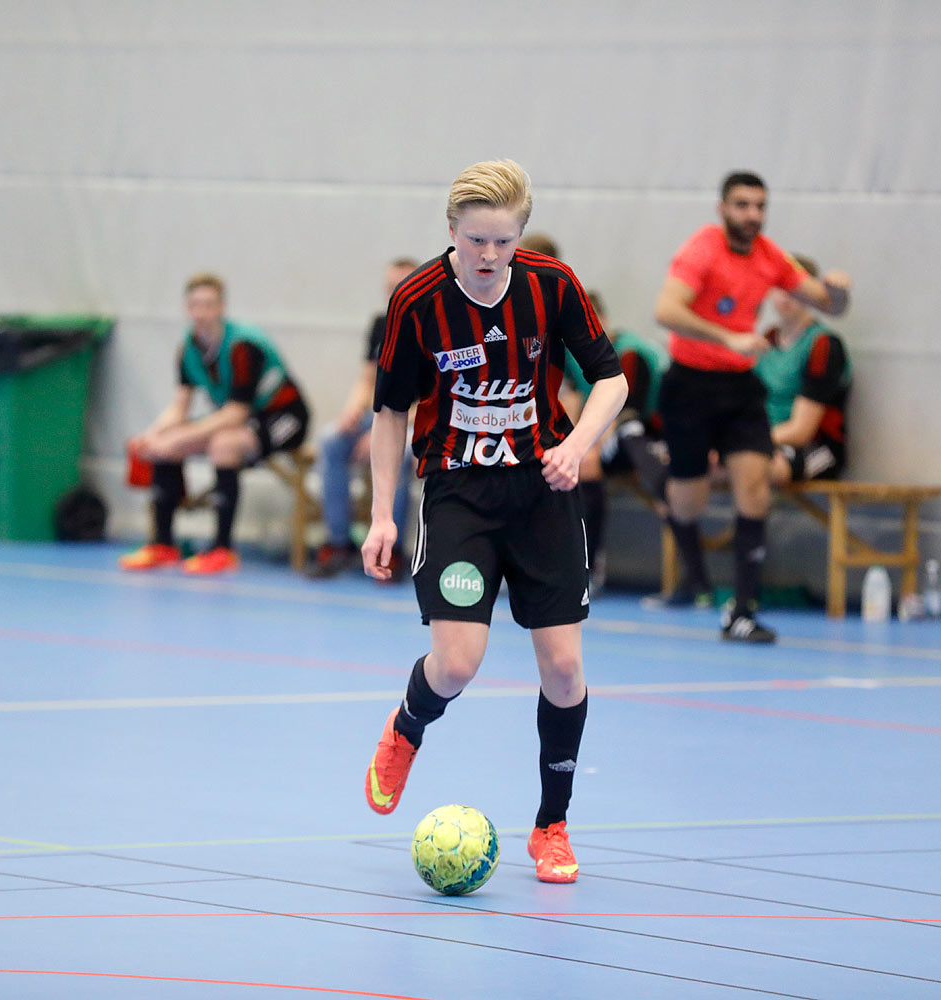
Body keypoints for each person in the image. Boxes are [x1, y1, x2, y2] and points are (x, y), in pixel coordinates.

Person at [360, 160, 628, 884]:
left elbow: (612, 379)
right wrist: (383, 515)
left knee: (565, 668)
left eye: (503, 241)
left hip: (542, 490)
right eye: (475, 239)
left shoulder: (552, 285)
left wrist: (576, 447)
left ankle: (552, 825)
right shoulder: (417, 302)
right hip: (459, 493)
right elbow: (388, 414)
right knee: (455, 664)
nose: (488, 256)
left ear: (520, 235)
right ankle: (407, 728)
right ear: (451, 232)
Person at [651, 172, 850, 642]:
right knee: (688, 497)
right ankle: (697, 579)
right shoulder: (702, 248)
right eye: (742, 205)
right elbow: (666, 311)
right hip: (689, 384)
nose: (752, 215)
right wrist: (728, 337)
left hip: (739, 388)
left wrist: (838, 288)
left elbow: (830, 303)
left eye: (759, 206)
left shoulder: (770, 257)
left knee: (755, 488)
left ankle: (742, 610)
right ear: (722, 209)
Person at [119, 272, 310, 574]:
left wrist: (180, 438)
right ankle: (163, 544)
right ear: (187, 309)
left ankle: (222, 548)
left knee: (223, 445)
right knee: (162, 447)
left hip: (284, 417)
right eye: (195, 305)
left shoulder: (242, 346)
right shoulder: (188, 349)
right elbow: (179, 406)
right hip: (241, 417)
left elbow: (235, 413)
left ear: (221, 308)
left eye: (209, 305)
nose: (202, 312)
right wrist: (152, 435)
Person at [305, 258, 419, 579]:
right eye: (391, 286)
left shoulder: (435, 325)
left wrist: (385, 431)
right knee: (331, 441)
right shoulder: (381, 325)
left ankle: (390, 550)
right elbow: (367, 378)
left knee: (401, 452)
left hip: (416, 419)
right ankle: (338, 543)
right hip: (383, 414)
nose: (396, 292)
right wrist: (352, 412)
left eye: (403, 284)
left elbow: (437, 397)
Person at [560, 290, 671, 588]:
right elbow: (572, 400)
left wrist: (584, 448)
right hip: (604, 436)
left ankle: (589, 565)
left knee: (590, 463)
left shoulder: (631, 353)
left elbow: (625, 414)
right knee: (561, 462)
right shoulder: (572, 355)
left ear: (604, 320)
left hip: (649, 436)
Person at [756, 254, 853, 487]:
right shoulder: (764, 342)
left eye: (794, 287)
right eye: (780, 286)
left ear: (812, 293)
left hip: (815, 447)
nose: (785, 295)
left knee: (751, 467)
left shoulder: (823, 345)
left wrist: (744, 441)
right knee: (700, 462)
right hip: (763, 442)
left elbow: (801, 431)